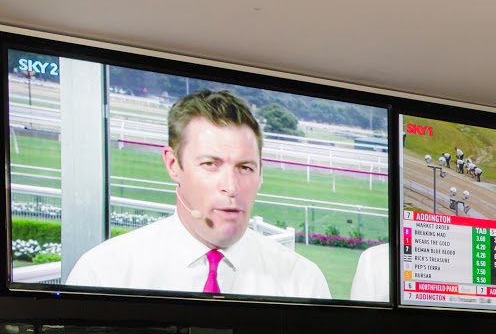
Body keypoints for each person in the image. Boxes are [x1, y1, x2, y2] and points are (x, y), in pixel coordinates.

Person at [66, 89, 330, 298]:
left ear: (261, 173)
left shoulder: (302, 282)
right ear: (173, 164)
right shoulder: (104, 273)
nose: (231, 187)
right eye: (210, 164)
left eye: (245, 168)